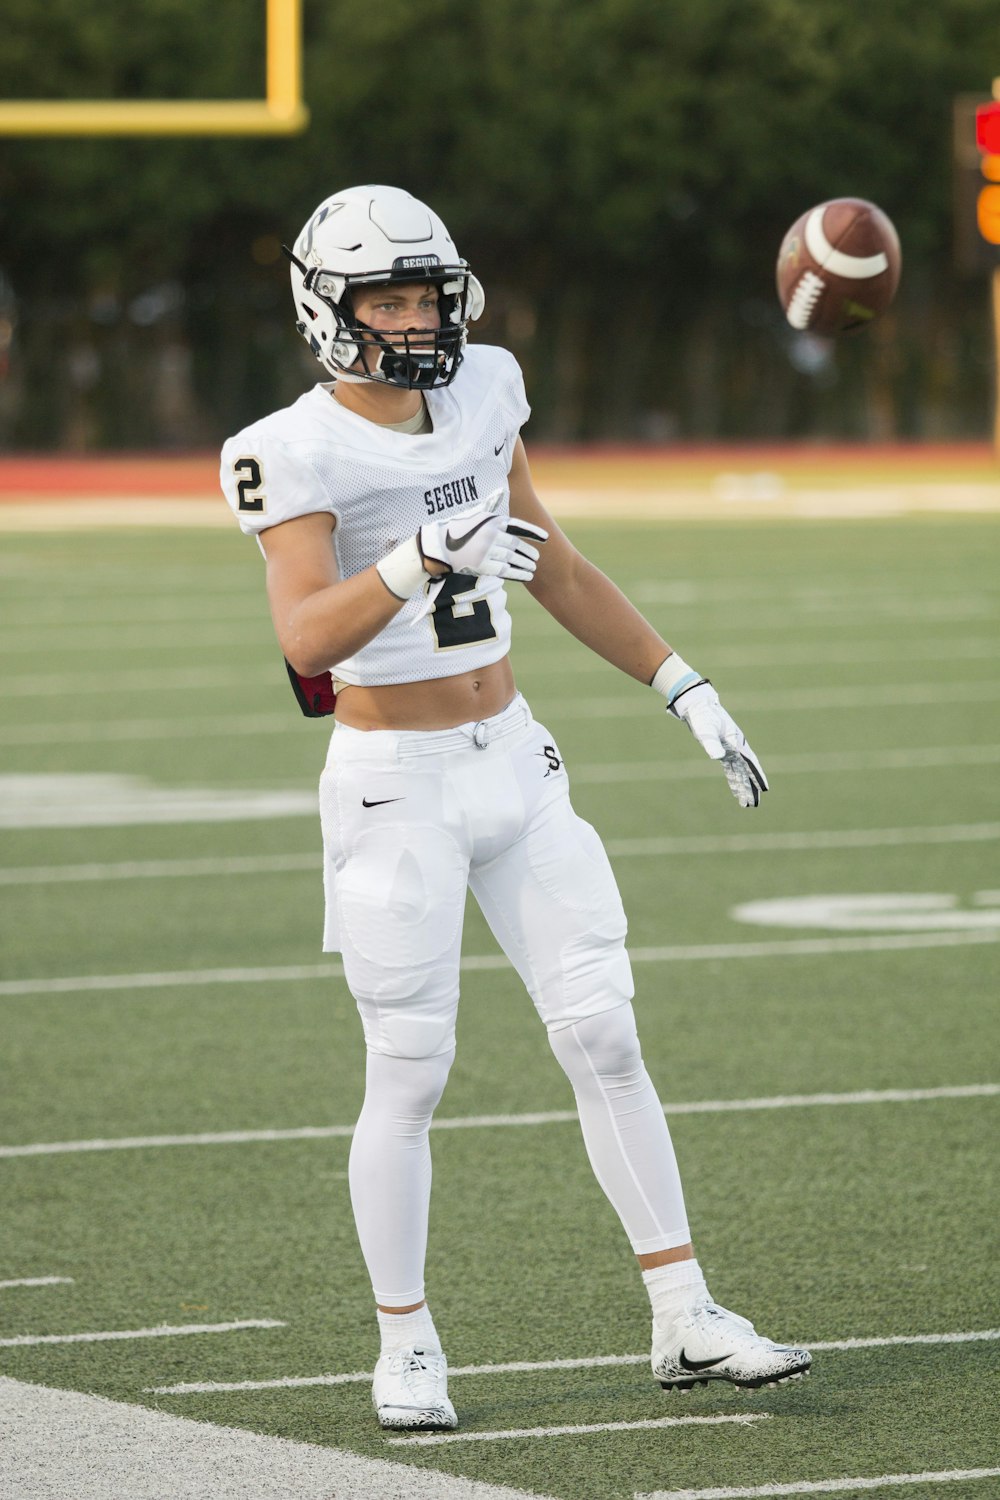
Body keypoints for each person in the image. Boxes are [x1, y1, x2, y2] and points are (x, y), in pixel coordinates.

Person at [220, 184, 811, 1431]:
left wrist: (680, 682)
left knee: (605, 1034)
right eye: (386, 297)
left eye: (427, 291)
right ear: (327, 310)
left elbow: (553, 557)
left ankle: (684, 1311)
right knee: (412, 1069)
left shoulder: (488, 386)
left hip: (516, 760)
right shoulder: (292, 446)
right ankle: (406, 1342)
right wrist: (420, 556)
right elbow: (306, 636)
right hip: (395, 788)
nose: (416, 317)